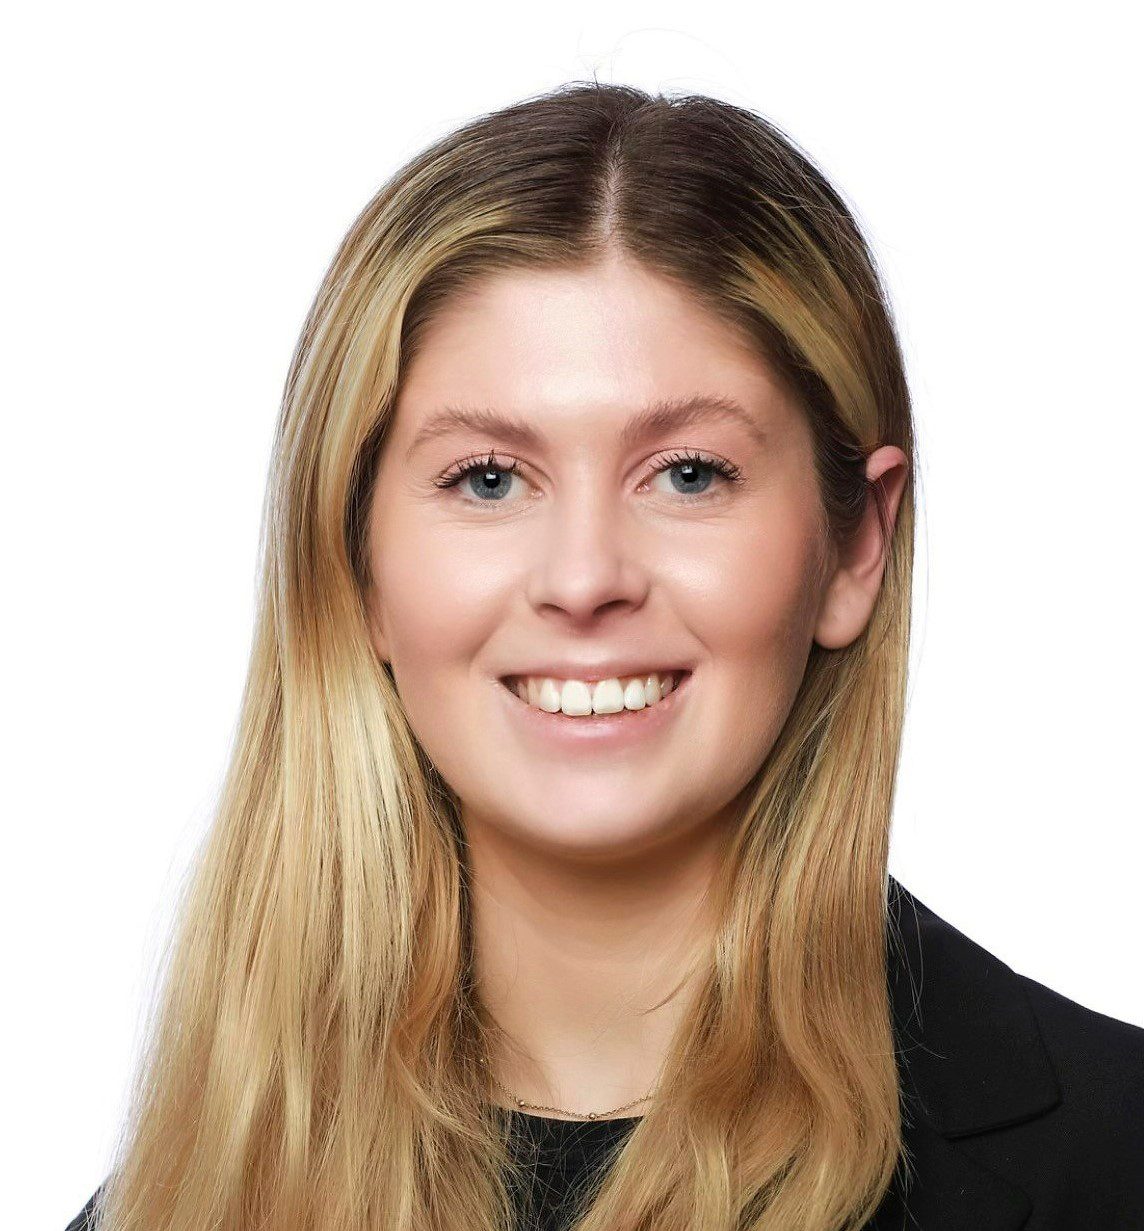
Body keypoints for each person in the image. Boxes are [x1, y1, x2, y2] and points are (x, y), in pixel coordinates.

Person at [65, 81, 1144, 1231]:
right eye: (488, 479)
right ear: (357, 564)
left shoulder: (1116, 1162)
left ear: (854, 545)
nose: (584, 579)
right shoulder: (172, 1202)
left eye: (688, 473)